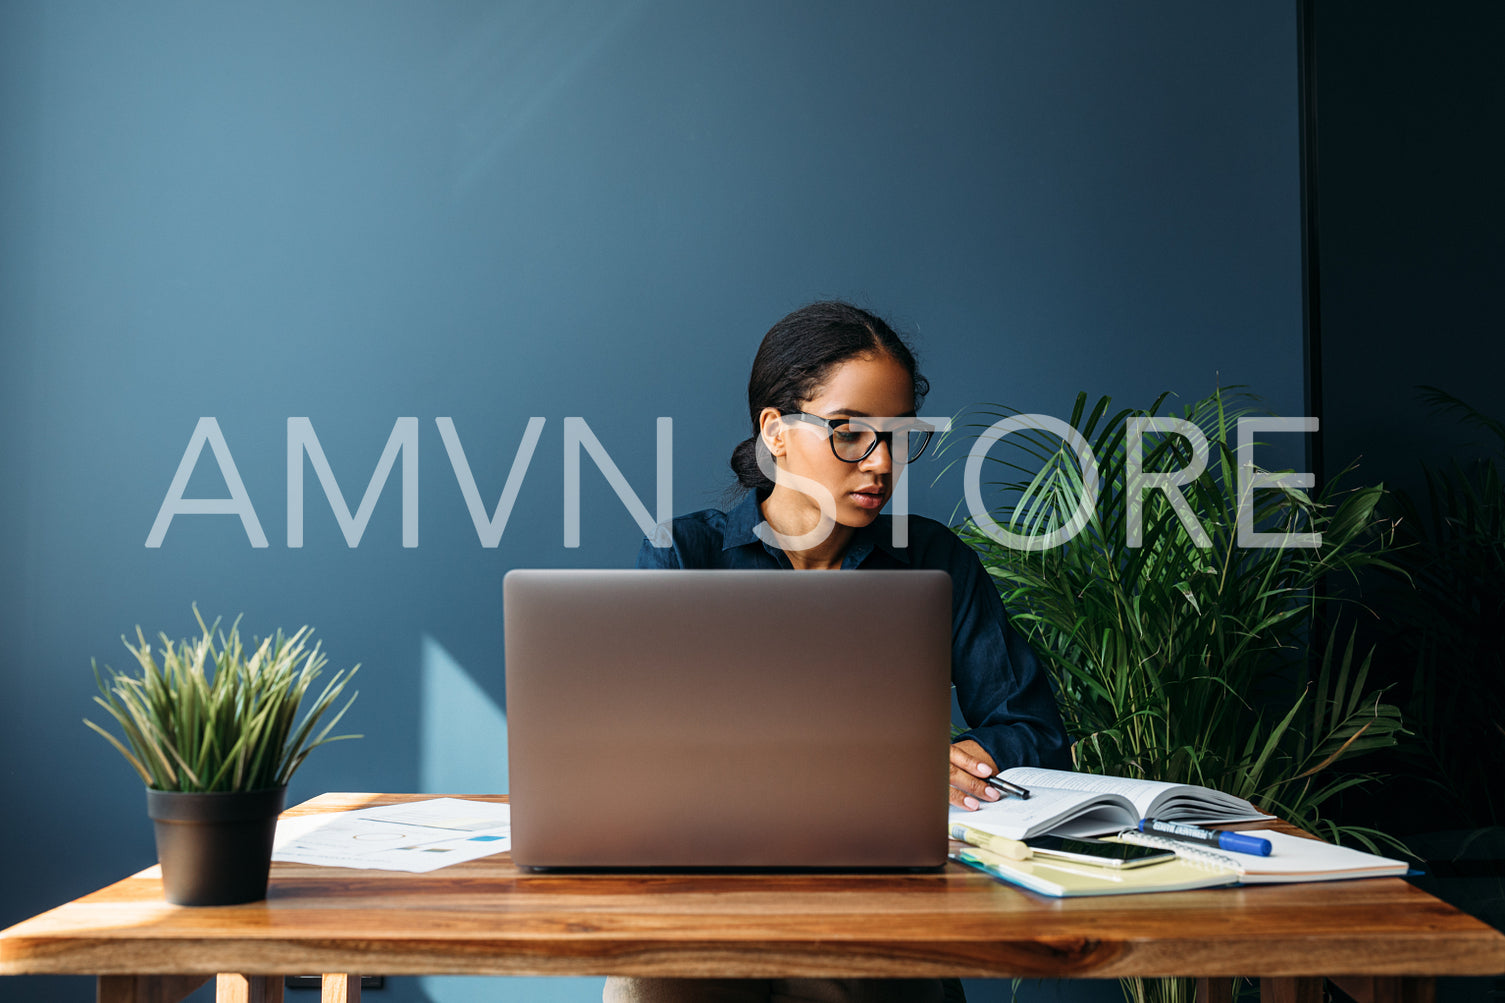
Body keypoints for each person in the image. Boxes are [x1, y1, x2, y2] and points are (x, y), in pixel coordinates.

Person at [605, 301, 1070, 1003]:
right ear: (777, 433)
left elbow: (1033, 730)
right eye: (850, 433)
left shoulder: (933, 561)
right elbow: (648, 753)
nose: (881, 462)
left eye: (899, 436)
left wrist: (948, 761)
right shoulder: (685, 553)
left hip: (879, 897)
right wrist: (883, 768)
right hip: (713, 889)